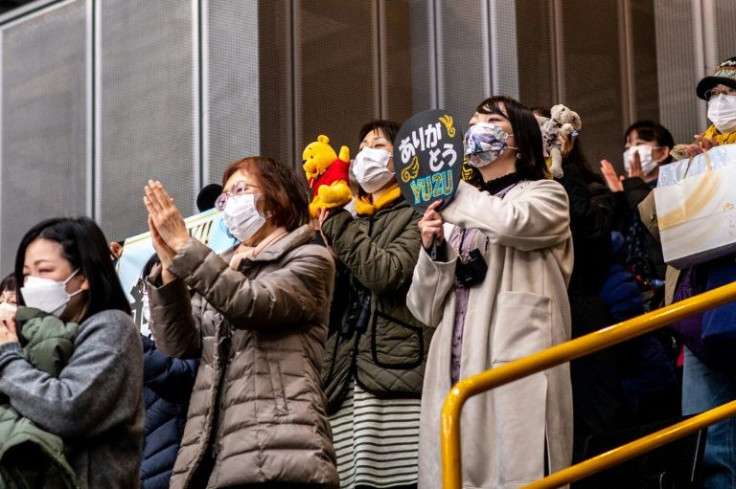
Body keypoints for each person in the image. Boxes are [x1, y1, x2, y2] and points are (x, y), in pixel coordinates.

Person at [406, 96, 573, 488]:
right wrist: (433, 249)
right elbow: (424, 308)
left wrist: (452, 191)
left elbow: (512, 223)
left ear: (522, 138)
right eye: (474, 121)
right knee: (458, 472)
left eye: (492, 120)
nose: (478, 128)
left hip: (514, 363)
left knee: (519, 469)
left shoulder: (546, 195)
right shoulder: (456, 215)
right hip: (456, 368)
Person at [143, 156, 338, 488]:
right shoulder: (224, 266)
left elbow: (251, 303)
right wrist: (170, 270)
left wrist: (186, 247)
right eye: (225, 197)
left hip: (281, 444)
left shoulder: (310, 257)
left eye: (240, 190)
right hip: (215, 449)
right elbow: (178, 344)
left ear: (275, 200)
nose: (229, 203)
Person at [318, 120, 429, 489]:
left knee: (397, 478)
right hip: (344, 377)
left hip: (395, 372)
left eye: (378, 145)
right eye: (362, 145)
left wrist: (337, 224)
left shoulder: (418, 211)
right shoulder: (354, 218)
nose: (366, 153)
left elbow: (388, 273)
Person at [0, 217, 143, 487]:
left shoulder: (112, 327)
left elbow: (69, 410)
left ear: (83, 276)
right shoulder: (31, 332)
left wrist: (7, 357)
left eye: (44, 271)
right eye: (26, 274)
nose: (31, 284)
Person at [650, 55, 736, 489]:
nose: (720, 103)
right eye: (714, 95)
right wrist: (691, 172)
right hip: (703, 319)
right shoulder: (694, 154)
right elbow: (653, 223)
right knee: (706, 444)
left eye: (730, 93)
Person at [137, 254, 199, 489]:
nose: (150, 294)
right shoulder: (144, 343)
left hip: (181, 468)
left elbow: (182, 376)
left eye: (162, 282)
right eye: (147, 285)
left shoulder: (201, 330)